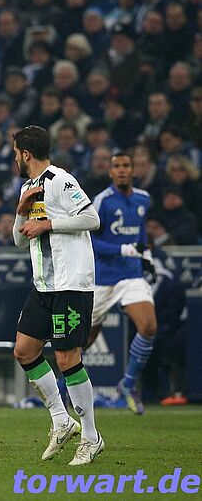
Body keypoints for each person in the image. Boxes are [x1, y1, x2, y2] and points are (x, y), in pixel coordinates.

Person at [10, 126, 103, 466]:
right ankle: (62, 420)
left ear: (26, 154)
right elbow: (19, 240)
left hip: (71, 282)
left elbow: (92, 218)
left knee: (66, 359)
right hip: (44, 285)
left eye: (16, 153)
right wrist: (21, 212)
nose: (14, 159)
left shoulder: (60, 180)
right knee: (24, 350)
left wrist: (48, 224)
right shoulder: (28, 188)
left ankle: (91, 437)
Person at [88, 152, 156, 415]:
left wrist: (145, 255)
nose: (122, 170)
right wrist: (122, 250)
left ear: (133, 170)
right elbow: (90, 240)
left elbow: (140, 232)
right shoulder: (102, 200)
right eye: (117, 166)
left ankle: (127, 383)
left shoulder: (143, 198)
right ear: (110, 172)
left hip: (131, 276)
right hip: (103, 279)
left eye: (126, 165)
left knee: (148, 326)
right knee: (84, 341)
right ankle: (63, 386)